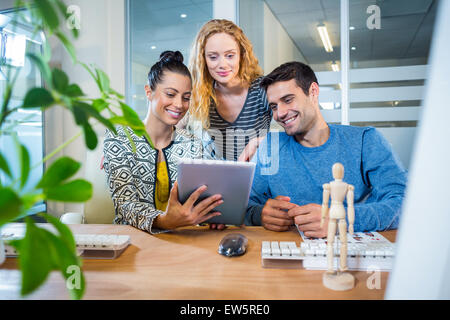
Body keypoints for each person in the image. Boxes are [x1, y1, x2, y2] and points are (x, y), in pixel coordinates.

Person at [245, 61, 408, 237]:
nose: (280, 113)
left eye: (287, 100)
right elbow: (246, 205)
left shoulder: (365, 141)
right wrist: (259, 214)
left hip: (349, 254)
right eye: (274, 106)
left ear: (313, 91)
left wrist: (340, 220)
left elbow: (404, 203)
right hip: (288, 254)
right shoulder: (270, 147)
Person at [103, 51, 224, 234]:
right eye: (170, 94)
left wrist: (212, 215)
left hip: (182, 240)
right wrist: (165, 221)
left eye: (185, 98)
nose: (179, 104)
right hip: (132, 241)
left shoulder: (192, 144)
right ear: (148, 92)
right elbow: (125, 205)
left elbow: (197, 199)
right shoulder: (119, 137)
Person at [185, 19, 272, 162]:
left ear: (241, 56)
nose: (223, 65)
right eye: (213, 57)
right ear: (203, 60)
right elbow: (171, 131)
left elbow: (295, 128)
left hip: (260, 176)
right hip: (222, 179)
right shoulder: (201, 95)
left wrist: (260, 142)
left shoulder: (262, 89)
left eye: (230, 56)